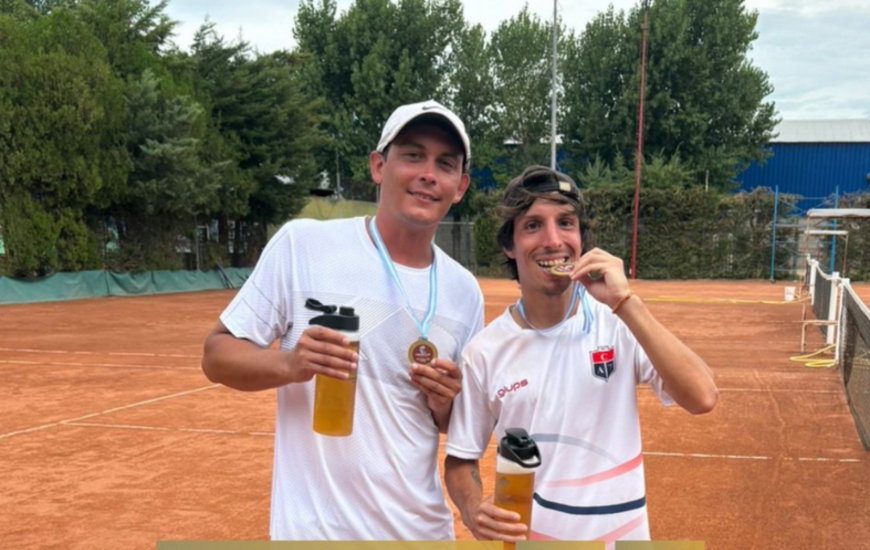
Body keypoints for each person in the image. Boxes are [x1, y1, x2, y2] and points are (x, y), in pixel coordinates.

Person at [201, 100, 485, 540]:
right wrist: (290, 365)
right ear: (378, 166)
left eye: (444, 164)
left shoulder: (464, 290)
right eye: (412, 155)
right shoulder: (304, 245)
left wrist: (444, 400)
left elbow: (455, 423)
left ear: (460, 185)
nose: (428, 174)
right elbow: (216, 355)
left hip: (420, 533)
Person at [444, 165, 718, 547]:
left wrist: (625, 302)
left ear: (582, 238)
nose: (553, 240)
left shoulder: (618, 323)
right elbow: (460, 458)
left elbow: (703, 396)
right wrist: (472, 509)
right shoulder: (484, 352)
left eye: (566, 223)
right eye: (533, 225)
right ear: (509, 245)